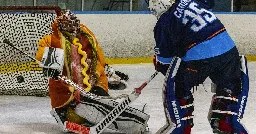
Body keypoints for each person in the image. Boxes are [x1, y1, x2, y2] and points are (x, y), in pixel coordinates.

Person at [35, 10, 149, 133]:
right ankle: (132, 125)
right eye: (68, 26)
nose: (73, 29)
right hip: (68, 97)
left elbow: (99, 61)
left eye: (74, 25)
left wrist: (96, 74)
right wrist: (50, 65)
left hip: (92, 89)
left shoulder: (87, 36)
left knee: (106, 106)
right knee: (80, 114)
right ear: (61, 26)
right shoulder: (52, 40)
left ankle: (135, 123)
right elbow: (42, 56)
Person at [148, 0, 249, 134]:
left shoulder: (164, 21)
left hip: (198, 60)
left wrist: (160, 63)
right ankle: (227, 122)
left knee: (177, 87)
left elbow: (165, 64)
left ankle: (182, 123)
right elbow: (210, 3)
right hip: (228, 55)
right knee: (227, 114)